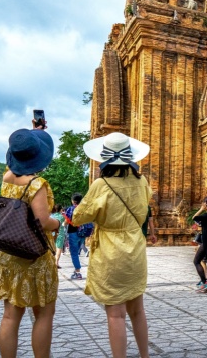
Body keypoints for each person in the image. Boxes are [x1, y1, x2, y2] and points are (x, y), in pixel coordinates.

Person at [75, 132, 152, 358]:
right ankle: (145, 356)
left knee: (116, 314)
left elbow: (80, 216)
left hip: (110, 252)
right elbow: (146, 206)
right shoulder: (142, 181)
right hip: (135, 250)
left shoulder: (101, 184)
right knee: (137, 310)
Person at [0, 128, 60, 357]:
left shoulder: (6, 176)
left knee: (10, 316)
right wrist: (57, 223)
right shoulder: (36, 184)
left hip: (8, 253)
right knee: (43, 314)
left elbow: (20, 147)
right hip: (33, 256)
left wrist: (35, 132)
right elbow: (41, 221)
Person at [64, 193, 86, 279]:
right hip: (83, 234)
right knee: (76, 252)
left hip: (73, 232)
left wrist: (62, 224)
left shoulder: (71, 209)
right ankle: (75, 270)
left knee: (74, 253)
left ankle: (77, 272)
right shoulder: (84, 209)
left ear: (73, 201)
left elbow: (66, 220)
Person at [50, 204, 66, 268]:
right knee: (59, 248)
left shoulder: (51, 216)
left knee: (52, 248)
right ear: (60, 209)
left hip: (52, 233)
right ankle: (56, 262)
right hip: (60, 233)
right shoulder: (62, 217)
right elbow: (65, 224)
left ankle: (51, 262)